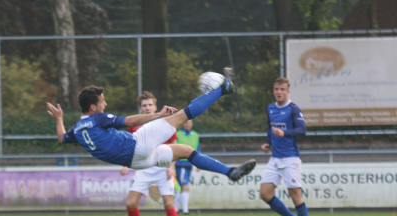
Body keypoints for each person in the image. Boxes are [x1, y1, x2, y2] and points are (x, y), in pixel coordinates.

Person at [46, 69, 256, 189]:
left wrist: (59, 118)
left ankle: (231, 172)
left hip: (136, 162)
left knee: (186, 151)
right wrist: (158, 114)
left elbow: (62, 138)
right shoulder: (97, 118)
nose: (105, 104)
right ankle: (224, 88)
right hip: (136, 145)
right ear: (93, 107)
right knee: (182, 115)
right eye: (102, 101)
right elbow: (129, 121)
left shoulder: (78, 129)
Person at [119, 91, 181, 216]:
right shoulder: (134, 126)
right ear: (140, 109)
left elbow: (175, 147)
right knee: (130, 204)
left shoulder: (165, 123)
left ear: (155, 107)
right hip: (143, 169)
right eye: (144, 105)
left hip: (162, 168)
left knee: (168, 204)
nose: (147, 108)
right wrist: (125, 164)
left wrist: (171, 167)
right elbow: (129, 148)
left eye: (150, 105)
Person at [259, 77, 312, 216]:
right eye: (276, 89)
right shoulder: (270, 108)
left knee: (295, 196)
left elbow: (302, 130)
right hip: (275, 158)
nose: (279, 92)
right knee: (265, 194)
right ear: (273, 91)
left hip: (290, 158)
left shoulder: (293, 109)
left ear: (288, 91)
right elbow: (271, 128)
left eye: (282, 89)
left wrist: (285, 133)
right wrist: (268, 143)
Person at [174, 119, 200, 214]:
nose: (187, 124)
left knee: (182, 188)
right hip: (181, 164)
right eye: (186, 122)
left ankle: (175, 209)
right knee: (185, 186)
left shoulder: (196, 135)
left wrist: (198, 163)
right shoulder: (178, 134)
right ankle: (185, 210)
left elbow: (198, 150)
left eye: (189, 122)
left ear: (192, 124)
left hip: (190, 164)